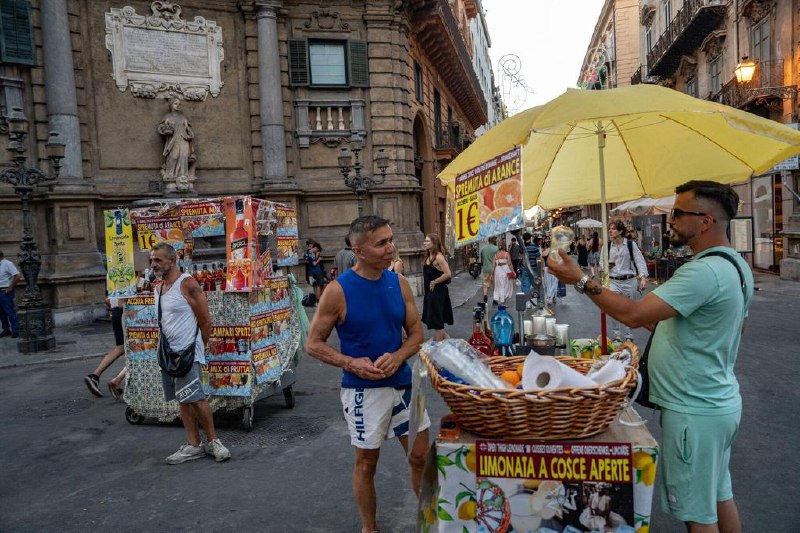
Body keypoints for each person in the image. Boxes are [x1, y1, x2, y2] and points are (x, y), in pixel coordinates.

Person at [547, 181, 753, 532]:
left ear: (705, 221)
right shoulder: (734, 265)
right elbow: (716, 329)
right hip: (717, 405)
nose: (670, 219)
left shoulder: (702, 272)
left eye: (678, 213)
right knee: (719, 498)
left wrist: (580, 279)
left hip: (693, 412)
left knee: (699, 516)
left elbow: (633, 314)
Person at [305, 215, 430, 533]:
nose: (391, 247)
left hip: (403, 385)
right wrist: (351, 362)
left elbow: (416, 333)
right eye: (382, 243)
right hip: (363, 391)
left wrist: (400, 354)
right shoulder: (337, 291)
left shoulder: (398, 282)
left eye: (391, 240)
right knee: (366, 463)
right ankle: (369, 527)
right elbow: (313, 344)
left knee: (420, 458)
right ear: (358, 250)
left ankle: (431, 521)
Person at [149, 243, 230, 464]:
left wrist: (200, 345)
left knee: (197, 399)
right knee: (183, 399)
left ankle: (214, 441)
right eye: (152, 260)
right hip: (169, 352)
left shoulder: (187, 284)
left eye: (158, 260)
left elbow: (205, 319)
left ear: (172, 260)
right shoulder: (158, 288)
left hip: (188, 351)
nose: (154, 264)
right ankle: (193, 444)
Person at [604, 220, 649, 341]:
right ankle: (617, 335)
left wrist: (643, 278)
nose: (610, 231)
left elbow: (640, 261)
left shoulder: (630, 244)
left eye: (613, 228)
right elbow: (601, 266)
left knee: (629, 309)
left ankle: (629, 335)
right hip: (613, 281)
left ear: (620, 231)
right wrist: (607, 266)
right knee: (614, 308)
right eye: (609, 229)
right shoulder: (607, 246)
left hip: (629, 281)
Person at [84, 297, 126, 398]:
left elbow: (107, 300)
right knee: (140, 349)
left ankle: (95, 376)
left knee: (121, 348)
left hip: (116, 312)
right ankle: (116, 380)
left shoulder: (113, 280)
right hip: (127, 312)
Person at [158, 98, 196, 193]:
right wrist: (164, 129)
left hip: (183, 139)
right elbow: (160, 128)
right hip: (173, 140)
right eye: (175, 104)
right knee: (173, 156)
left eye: (178, 104)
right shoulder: (167, 117)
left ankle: (183, 176)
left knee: (183, 157)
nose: (177, 106)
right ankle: (170, 176)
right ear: (171, 105)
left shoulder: (183, 117)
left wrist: (189, 134)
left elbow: (189, 130)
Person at [421, 233, 453, 341]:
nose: (425, 243)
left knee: (438, 322)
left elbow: (448, 273)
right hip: (430, 292)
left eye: (427, 241)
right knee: (435, 321)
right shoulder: (428, 256)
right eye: (425, 241)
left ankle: (438, 348)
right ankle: (448, 345)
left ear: (434, 243)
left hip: (438, 292)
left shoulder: (439, 257)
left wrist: (435, 281)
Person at [0, 250, 20, 338]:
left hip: (5, 291)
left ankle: (15, 330)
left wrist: (10, 287)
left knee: (9, 311)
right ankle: (6, 329)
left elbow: (17, 276)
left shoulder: (8, 264)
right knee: (1, 312)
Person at [491, 239, 514, 306]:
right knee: (505, 285)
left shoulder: (495, 255)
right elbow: (510, 264)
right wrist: (513, 271)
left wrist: (491, 274)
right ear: (504, 246)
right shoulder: (507, 254)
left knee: (499, 285)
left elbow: (493, 266)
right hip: (505, 270)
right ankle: (503, 301)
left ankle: (500, 300)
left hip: (498, 271)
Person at [479, 237, 498, 304]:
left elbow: (481, 260)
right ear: (494, 241)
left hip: (486, 268)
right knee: (495, 284)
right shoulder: (496, 249)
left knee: (485, 284)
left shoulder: (483, 249)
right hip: (495, 269)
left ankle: (485, 295)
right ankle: (495, 299)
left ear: (488, 241)